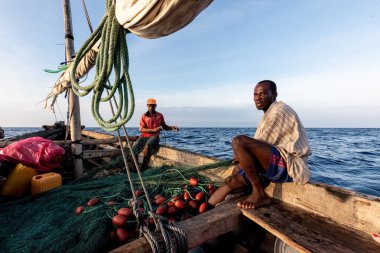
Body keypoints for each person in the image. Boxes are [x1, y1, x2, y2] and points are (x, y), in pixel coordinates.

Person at [208, 80, 311, 209]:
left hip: (288, 164)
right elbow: (260, 145)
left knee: (238, 142)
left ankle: (259, 193)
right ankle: (204, 210)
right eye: (255, 94)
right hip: (272, 163)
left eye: (262, 93)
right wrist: (242, 157)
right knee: (231, 179)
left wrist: (242, 153)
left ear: (274, 94)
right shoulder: (267, 114)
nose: (257, 97)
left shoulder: (279, 110)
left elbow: (258, 143)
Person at [132, 98, 179, 169]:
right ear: (147, 106)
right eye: (149, 106)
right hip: (144, 136)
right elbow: (141, 129)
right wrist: (153, 129)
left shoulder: (160, 115)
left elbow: (164, 126)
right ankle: (134, 168)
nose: (151, 107)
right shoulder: (144, 116)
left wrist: (172, 127)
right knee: (133, 150)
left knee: (147, 147)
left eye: (153, 106)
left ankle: (143, 166)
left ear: (155, 106)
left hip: (155, 137)